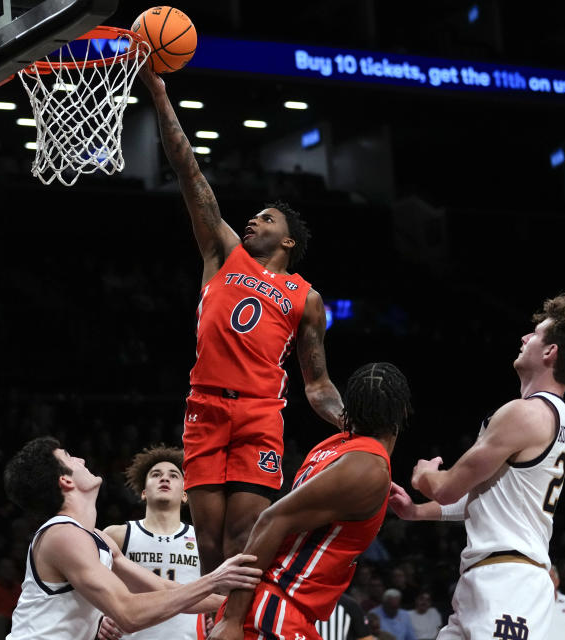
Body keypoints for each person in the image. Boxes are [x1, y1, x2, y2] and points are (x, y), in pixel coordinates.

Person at [138, 66, 344, 578]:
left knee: (242, 539)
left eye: (267, 218)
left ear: (289, 241)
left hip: (259, 415)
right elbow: (190, 174)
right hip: (205, 406)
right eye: (254, 216)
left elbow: (317, 385)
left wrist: (357, 428)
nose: (253, 220)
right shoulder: (223, 252)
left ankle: (240, 625)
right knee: (207, 541)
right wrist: (161, 95)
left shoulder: (306, 298)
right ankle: (210, 624)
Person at [389, 294, 565, 639]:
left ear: (550, 352)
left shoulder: (525, 413)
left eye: (535, 335)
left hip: (508, 583)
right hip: (490, 579)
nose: (524, 338)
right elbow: (486, 500)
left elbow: (446, 488)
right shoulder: (555, 415)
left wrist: (423, 475)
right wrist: (416, 512)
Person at [206, 362, 413, 640]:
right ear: (402, 412)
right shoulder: (367, 469)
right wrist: (232, 619)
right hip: (275, 610)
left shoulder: (334, 447)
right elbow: (271, 520)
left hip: (276, 608)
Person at [2, 436, 262, 640]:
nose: (80, 459)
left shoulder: (98, 539)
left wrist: (247, 601)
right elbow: (127, 613)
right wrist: (214, 580)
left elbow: (163, 588)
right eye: (70, 458)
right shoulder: (63, 535)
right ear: (65, 481)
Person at [97, 445, 205, 640]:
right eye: (156, 474)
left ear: (185, 494)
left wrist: (218, 615)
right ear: (144, 492)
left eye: (174, 475)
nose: (164, 478)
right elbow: (88, 583)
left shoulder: (202, 540)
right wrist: (97, 618)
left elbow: (217, 588)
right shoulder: (118, 535)